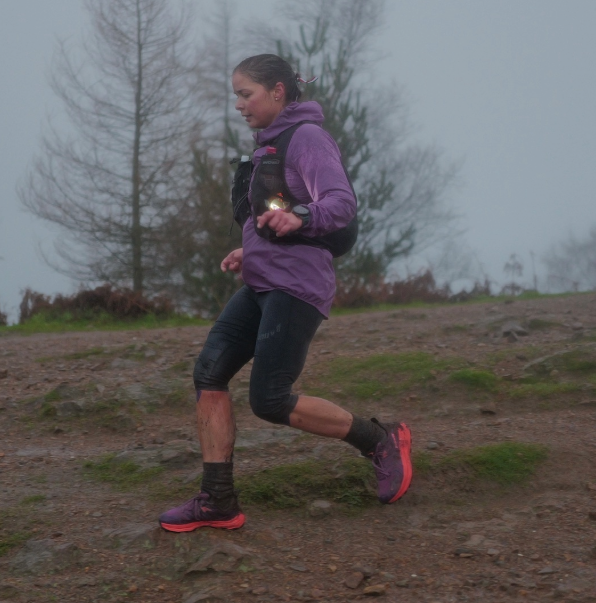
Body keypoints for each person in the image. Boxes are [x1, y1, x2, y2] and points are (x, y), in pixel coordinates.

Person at [158, 54, 411, 533]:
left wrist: (303, 217)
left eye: (245, 94)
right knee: (208, 373)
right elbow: (269, 217)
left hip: (296, 287)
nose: (238, 105)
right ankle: (217, 500)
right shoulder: (267, 147)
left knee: (270, 399)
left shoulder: (308, 138)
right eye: (235, 94)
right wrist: (248, 252)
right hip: (261, 280)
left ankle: (380, 440)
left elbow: (340, 202)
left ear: (278, 92)